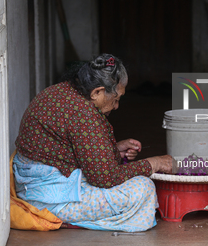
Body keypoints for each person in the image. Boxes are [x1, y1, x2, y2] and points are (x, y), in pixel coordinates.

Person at [13, 53, 173, 232]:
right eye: (116, 99)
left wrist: (112, 150)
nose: (116, 106)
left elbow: (73, 146)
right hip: (47, 199)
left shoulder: (61, 90)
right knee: (143, 188)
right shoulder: (84, 114)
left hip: (30, 184)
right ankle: (63, 217)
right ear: (97, 92)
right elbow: (106, 178)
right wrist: (154, 163)